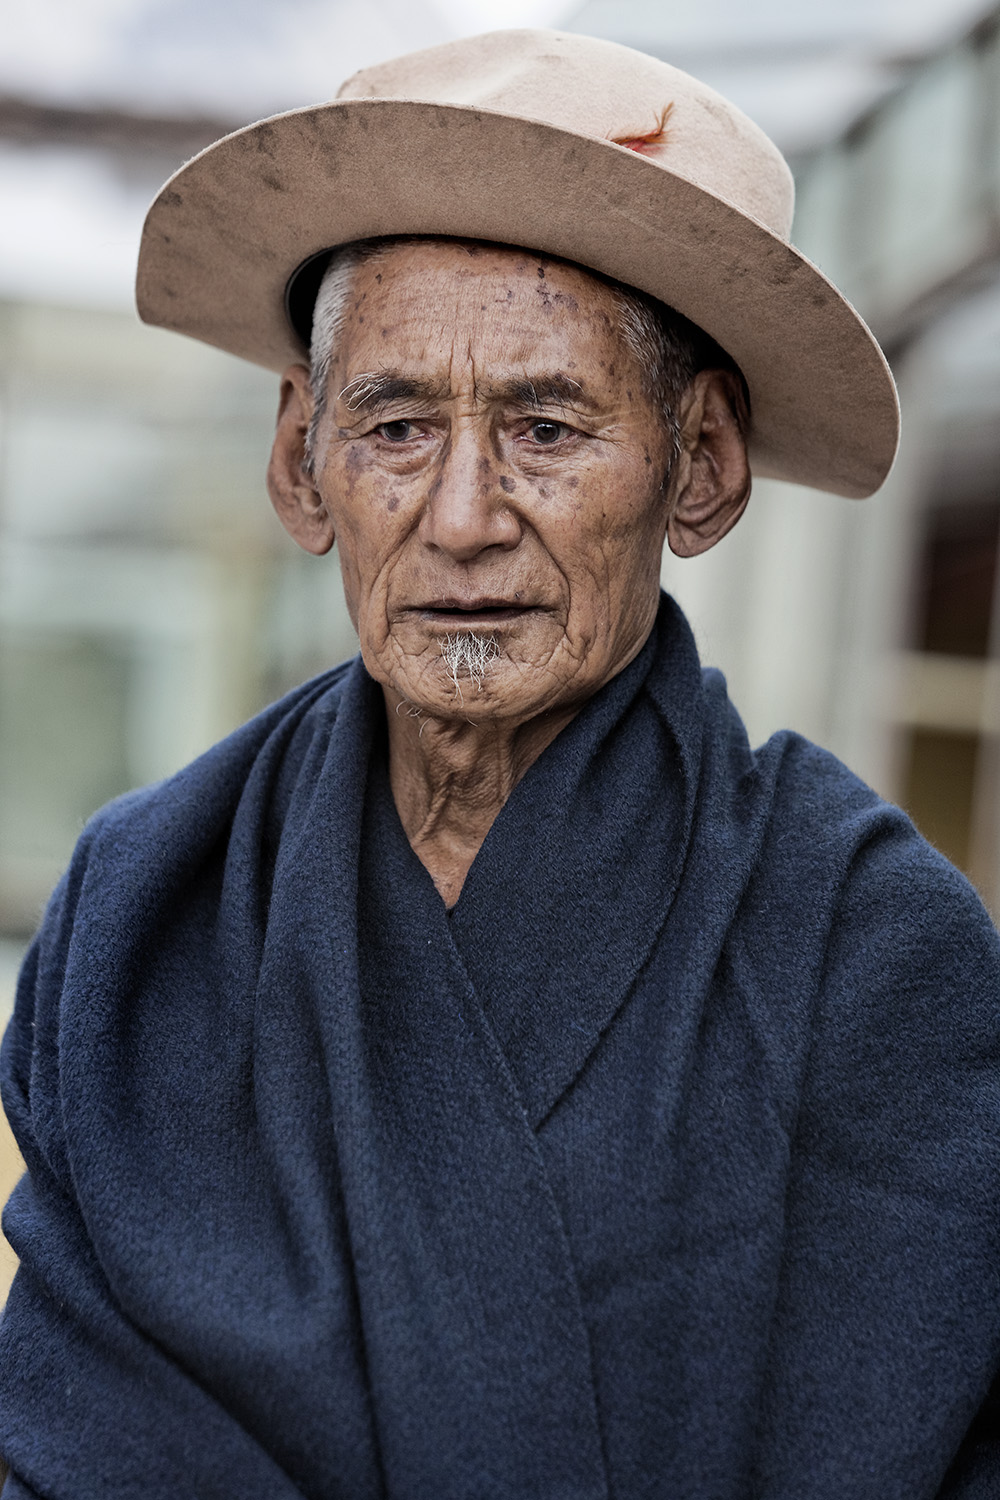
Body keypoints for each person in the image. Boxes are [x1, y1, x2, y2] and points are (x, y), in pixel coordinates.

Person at [1, 27, 999, 1500]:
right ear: (300, 461)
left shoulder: (868, 947)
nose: (463, 515)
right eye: (396, 426)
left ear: (701, 462)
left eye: (546, 426)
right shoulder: (144, 911)